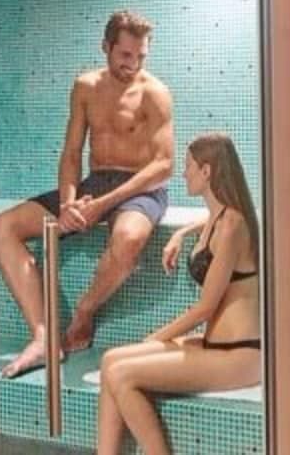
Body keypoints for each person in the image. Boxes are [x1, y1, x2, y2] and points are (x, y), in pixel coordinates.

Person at [0, 10, 174, 379]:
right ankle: (43, 337)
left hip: (140, 186)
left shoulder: (154, 93)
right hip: (96, 183)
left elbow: (163, 165)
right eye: (125, 55)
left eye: (141, 56)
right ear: (105, 47)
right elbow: (72, 152)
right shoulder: (85, 87)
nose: (133, 64)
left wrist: (102, 206)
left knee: (128, 239)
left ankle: (85, 311)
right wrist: (69, 204)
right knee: (1, 227)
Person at [97, 133, 261, 455]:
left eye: (188, 167)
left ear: (207, 171)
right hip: (215, 345)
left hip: (240, 355)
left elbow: (205, 308)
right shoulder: (218, 216)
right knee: (109, 359)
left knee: (121, 374)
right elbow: (208, 222)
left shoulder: (233, 224)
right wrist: (181, 234)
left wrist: (153, 339)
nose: (183, 174)